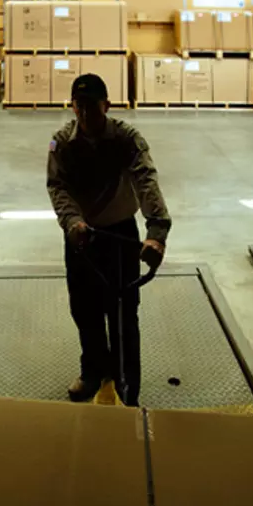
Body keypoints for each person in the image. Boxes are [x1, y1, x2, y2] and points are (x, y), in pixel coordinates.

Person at [47, 73, 172, 406]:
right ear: (73, 106)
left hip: (119, 237)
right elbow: (57, 186)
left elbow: (146, 180)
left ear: (107, 105)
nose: (86, 113)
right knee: (84, 310)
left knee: (123, 314)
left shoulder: (126, 139)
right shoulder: (63, 143)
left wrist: (156, 232)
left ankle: (127, 385)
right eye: (80, 106)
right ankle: (93, 371)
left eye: (93, 106)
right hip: (81, 238)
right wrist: (71, 221)